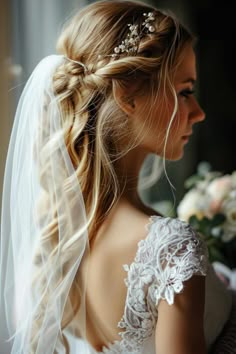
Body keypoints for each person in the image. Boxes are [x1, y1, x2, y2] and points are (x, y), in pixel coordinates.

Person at [0, 0, 235, 353]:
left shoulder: (53, 251)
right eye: (185, 91)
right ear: (127, 95)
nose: (198, 113)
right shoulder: (172, 249)